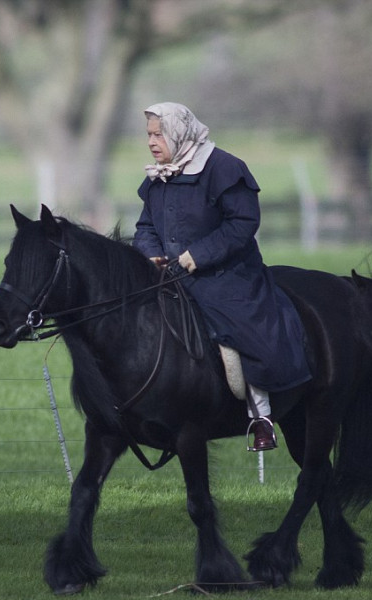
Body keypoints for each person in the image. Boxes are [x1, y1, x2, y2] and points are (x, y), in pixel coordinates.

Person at [134, 102, 312, 451]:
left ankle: (260, 416)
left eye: (158, 134)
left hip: (227, 276)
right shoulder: (159, 175)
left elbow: (242, 224)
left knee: (242, 333)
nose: (153, 142)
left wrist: (196, 256)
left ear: (179, 131)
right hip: (169, 276)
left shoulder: (225, 168)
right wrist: (150, 253)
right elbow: (145, 227)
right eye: (149, 135)